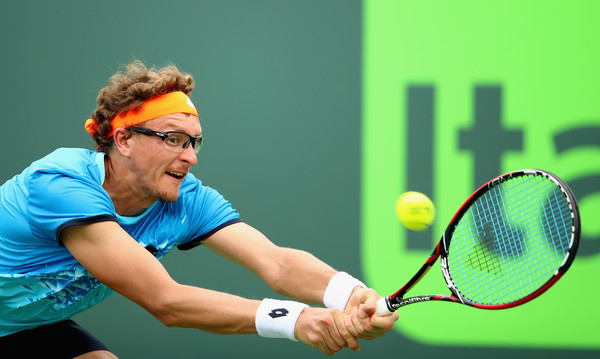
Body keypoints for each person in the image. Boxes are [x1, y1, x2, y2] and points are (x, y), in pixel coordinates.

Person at [0, 61, 398, 358]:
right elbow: (166, 301)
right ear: (123, 139)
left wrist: (350, 295)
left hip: (28, 326)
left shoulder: (185, 197)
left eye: (194, 143)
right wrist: (295, 320)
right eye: (173, 139)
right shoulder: (61, 185)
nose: (189, 157)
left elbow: (275, 263)